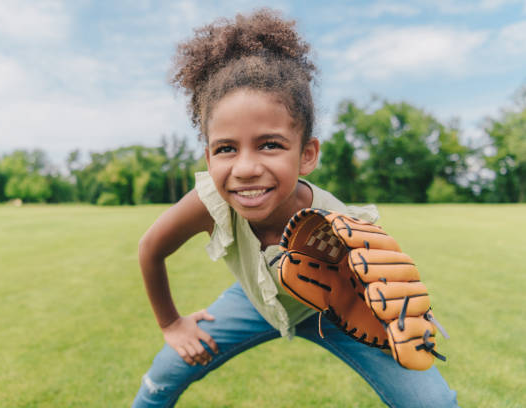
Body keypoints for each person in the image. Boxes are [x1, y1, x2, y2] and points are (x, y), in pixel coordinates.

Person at [132, 9, 458, 408]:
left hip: (335, 307)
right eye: (226, 148)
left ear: (306, 155)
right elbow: (151, 248)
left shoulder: (340, 224)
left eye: (270, 144)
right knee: (164, 374)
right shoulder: (210, 200)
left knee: (432, 403)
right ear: (208, 156)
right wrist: (171, 323)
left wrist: (394, 313)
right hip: (254, 300)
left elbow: (385, 283)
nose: (246, 168)